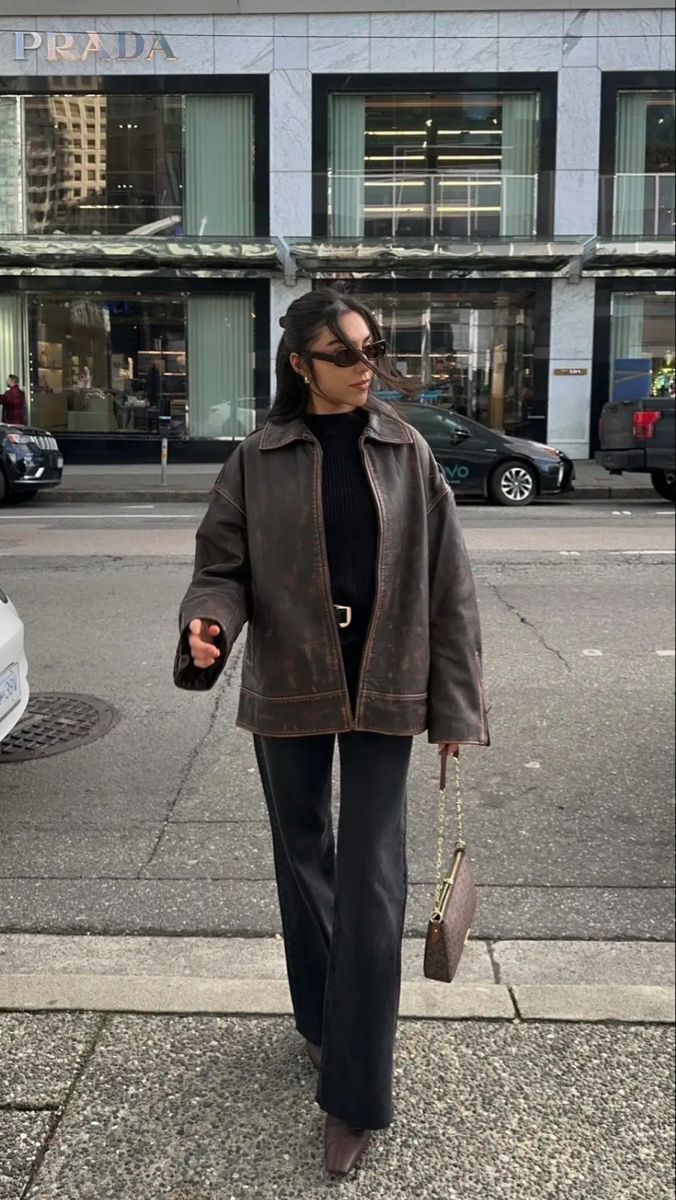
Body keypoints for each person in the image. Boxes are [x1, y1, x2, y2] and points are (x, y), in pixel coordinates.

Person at [174, 288, 489, 1180]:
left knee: (373, 885)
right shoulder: (257, 458)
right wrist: (209, 625)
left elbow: (450, 584)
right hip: (292, 682)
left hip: (388, 681)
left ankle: (355, 1094)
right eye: (345, 354)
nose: (365, 367)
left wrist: (456, 707)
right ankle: (319, 1017)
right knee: (302, 857)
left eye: (371, 348)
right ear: (299, 365)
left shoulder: (406, 450)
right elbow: (221, 567)